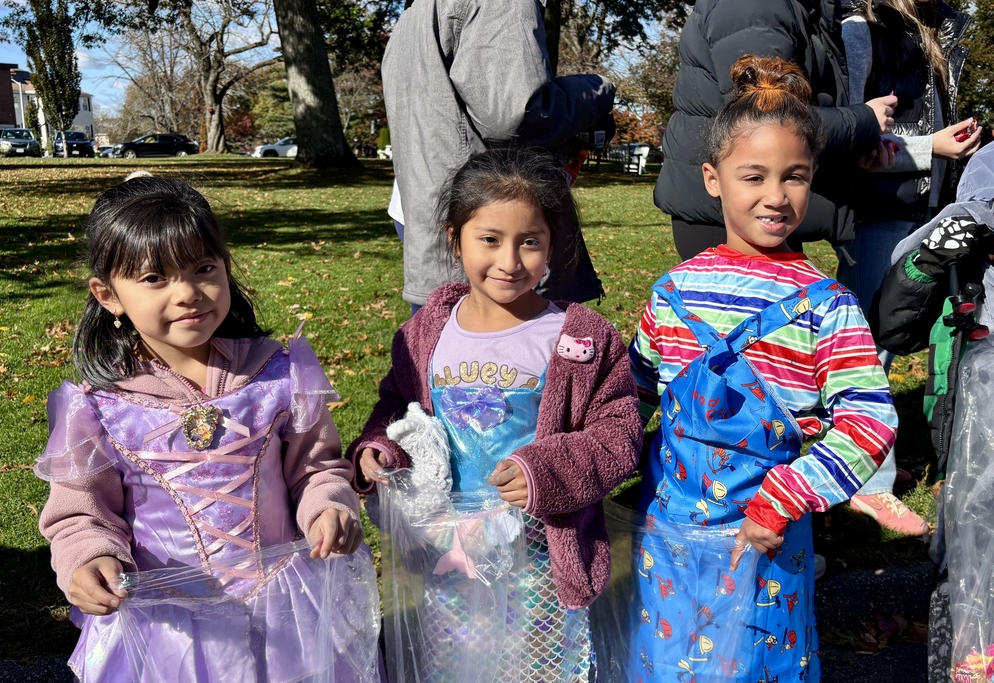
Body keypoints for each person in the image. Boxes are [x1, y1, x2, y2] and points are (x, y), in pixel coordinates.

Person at [33, 177, 377, 682]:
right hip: (168, 626)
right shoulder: (97, 408)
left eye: (203, 269)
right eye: (155, 278)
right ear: (108, 295)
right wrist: (89, 558)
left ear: (227, 267)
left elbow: (315, 467)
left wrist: (328, 504)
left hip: (288, 617)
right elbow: (81, 512)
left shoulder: (277, 375)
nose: (189, 293)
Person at [628, 56, 898, 682]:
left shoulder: (827, 308)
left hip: (767, 545)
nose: (776, 197)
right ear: (712, 178)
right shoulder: (673, 294)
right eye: (754, 175)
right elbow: (631, 397)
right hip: (670, 543)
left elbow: (868, 422)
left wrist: (785, 498)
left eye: (795, 177)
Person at [348, 148, 643, 680]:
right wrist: (378, 448)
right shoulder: (424, 335)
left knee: (538, 666)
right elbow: (395, 406)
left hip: (539, 561)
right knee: (454, 663)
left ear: (553, 242)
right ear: (453, 236)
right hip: (448, 552)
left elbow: (618, 436)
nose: (510, 261)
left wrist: (546, 470)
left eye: (529, 241)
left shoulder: (579, 338)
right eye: (490, 239)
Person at [837, 0, 976, 535]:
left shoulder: (933, 29)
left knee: (895, 343)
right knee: (868, 351)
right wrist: (931, 149)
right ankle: (866, 483)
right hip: (879, 213)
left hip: (922, 212)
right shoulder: (863, 29)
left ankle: (884, 460)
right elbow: (852, 136)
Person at [382, 0, 616, 309]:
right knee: (506, 348)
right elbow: (516, 115)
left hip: (432, 210)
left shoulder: (418, 9)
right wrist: (597, 90)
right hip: (487, 218)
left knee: (442, 344)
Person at [873, 142, 994, 682]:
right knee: (968, 556)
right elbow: (894, 324)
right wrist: (931, 260)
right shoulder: (972, 214)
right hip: (973, 417)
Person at [656, 0, 898, 260]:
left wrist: (854, 151)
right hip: (726, 221)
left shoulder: (801, 9)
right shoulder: (757, 7)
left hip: (753, 216)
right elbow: (766, 116)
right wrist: (865, 120)